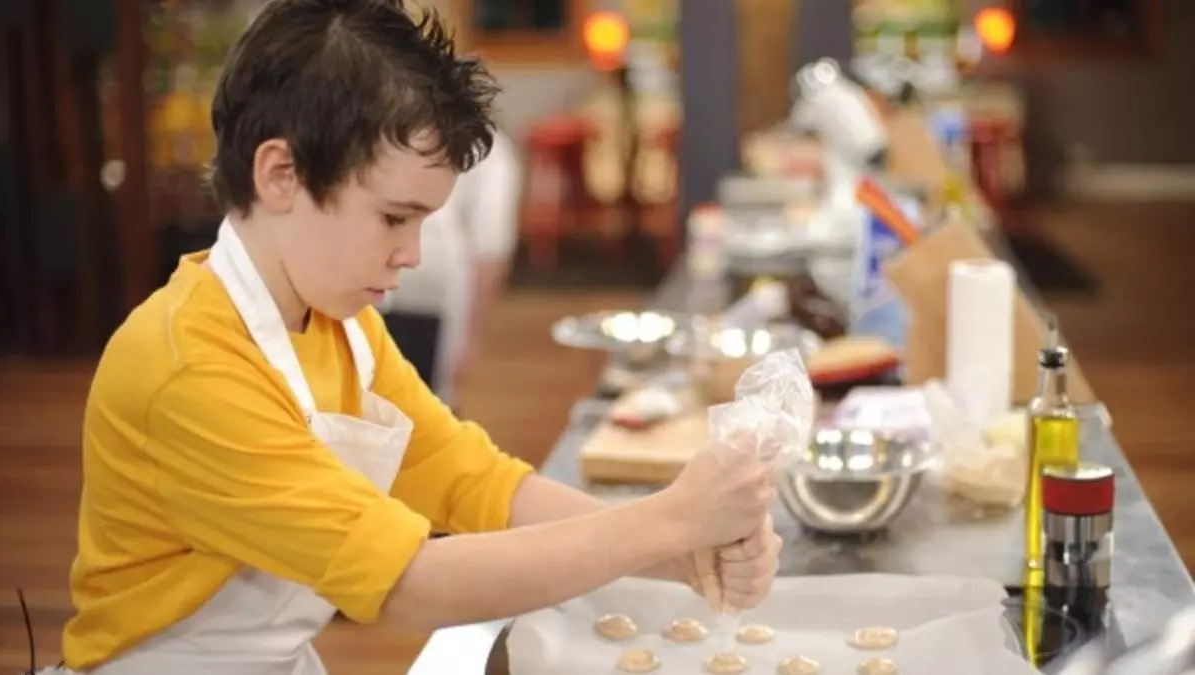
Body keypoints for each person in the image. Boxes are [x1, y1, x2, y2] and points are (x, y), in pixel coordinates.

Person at [58, 2, 783, 673]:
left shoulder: (344, 329)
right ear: (281, 174)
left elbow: (472, 481)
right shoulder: (188, 368)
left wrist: (681, 552)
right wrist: (665, 523)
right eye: (393, 218)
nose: (412, 254)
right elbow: (407, 585)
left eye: (423, 222)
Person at [377, 126, 520, 406]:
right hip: (433, 285)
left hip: (387, 289)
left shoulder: (379, 123)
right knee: (421, 406)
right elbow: (491, 251)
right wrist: (471, 338)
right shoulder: (488, 146)